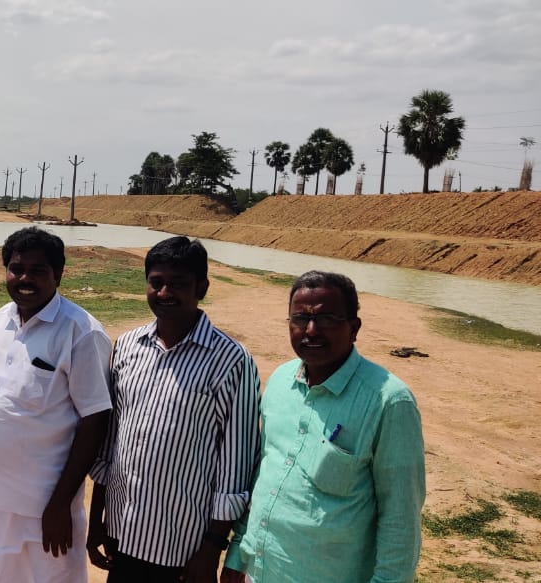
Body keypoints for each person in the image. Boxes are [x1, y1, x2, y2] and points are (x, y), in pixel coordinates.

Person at [221, 271, 426, 583]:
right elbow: (265, 478)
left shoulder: (389, 402)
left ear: (354, 328)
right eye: (300, 318)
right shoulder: (279, 382)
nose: (311, 330)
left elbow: (401, 520)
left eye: (327, 319)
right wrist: (239, 553)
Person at [86, 236, 261, 582]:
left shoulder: (231, 360)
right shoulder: (127, 348)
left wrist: (211, 549)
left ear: (202, 287)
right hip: (123, 534)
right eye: (157, 283)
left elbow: (235, 463)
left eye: (178, 284)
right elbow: (111, 446)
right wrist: (97, 523)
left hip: (184, 549)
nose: (165, 293)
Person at [0, 226, 113, 583]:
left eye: (38, 270)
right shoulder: (0, 321)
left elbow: (95, 420)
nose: (25, 278)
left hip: (43, 508)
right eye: (17, 269)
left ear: (58, 275)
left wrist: (60, 504)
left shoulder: (81, 332)